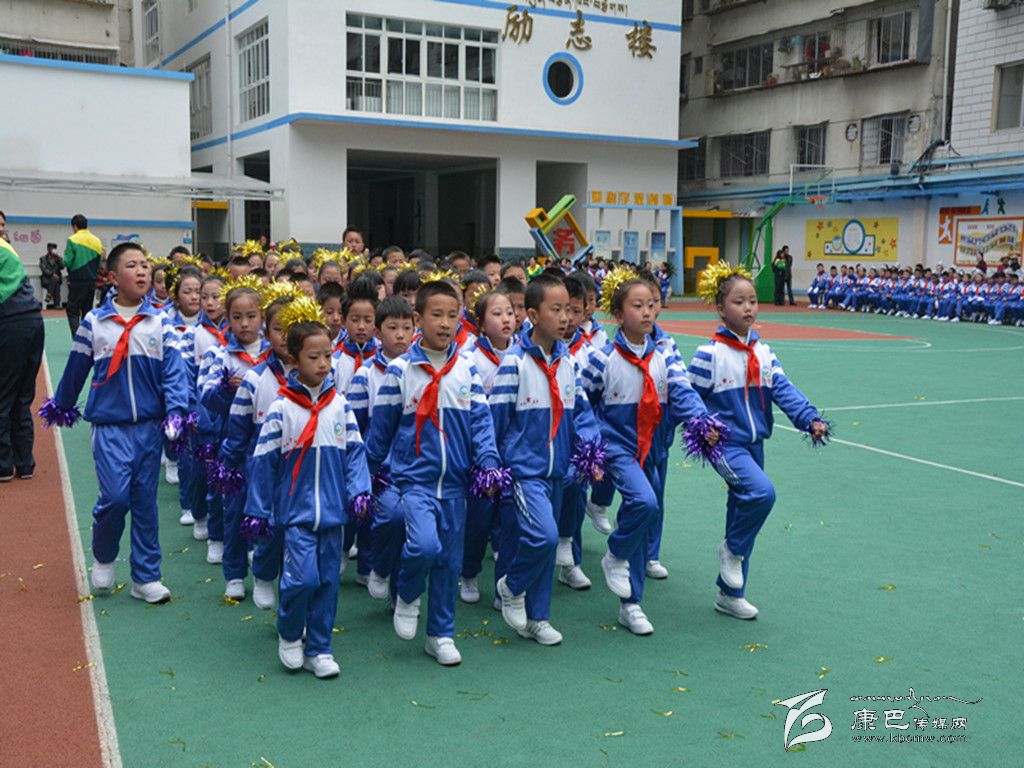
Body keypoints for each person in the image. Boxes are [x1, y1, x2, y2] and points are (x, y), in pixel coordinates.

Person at [364, 280, 503, 666]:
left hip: (455, 485)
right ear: (417, 319)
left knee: (448, 564)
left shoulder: (466, 369)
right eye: (436, 315)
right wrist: (364, 479)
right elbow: (381, 432)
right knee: (424, 546)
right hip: (414, 482)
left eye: (452, 315)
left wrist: (489, 462)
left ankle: (440, 635)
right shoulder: (399, 371)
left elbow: (481, 422)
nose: (445, 323)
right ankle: (408, 594)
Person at [43, 242, 190, 603]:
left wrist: (176, 411)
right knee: (115, 497)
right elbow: (76, 368)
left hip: (149, 428)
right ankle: (104, 555)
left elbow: (174, 372)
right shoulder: (95, 323)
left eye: (145, 265)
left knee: (145, 503)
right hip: (109, 428)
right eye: (132, 265)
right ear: (112, 277)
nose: (142, 271)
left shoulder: (161, 322)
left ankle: (146, 577)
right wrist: (62, 404)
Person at [687, 266, 828, 620]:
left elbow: (784, 389)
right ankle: (731, 551)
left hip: (754, 445)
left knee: (741, 509)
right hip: (725, 445)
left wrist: (809, 418)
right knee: (761, 493)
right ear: (721, 308)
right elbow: (688, 398)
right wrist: (702, 427)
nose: (748, 307)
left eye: (752, 300)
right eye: (739, 301)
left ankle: (730, 595)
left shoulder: (764, 352)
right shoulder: (709, 354)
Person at [581, 272, 718, 635]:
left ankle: (631, 604)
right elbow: (582, 403)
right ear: (618, 313)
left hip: (651, 448)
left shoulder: (665, 352)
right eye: (637, 305)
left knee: (644, 516)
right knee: (644, 502)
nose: (647, 312)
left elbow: (682, 390)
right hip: (618, 447)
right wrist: (592, 446)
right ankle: (615, 553)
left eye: (652, 305)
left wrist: (701, 420)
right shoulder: (602, 358)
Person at [244, 305, 371, 678]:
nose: (323, 364)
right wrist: (259, 510)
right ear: (294, 360)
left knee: (328, 583)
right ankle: (289, 634)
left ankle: (319, 648)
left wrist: (359, 491)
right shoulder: (282, 409)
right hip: (296, 514)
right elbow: (263, 463)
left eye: (327, 356)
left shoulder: (340, 407)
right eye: (313, 357)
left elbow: (355, 454)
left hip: (333, 514)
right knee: (303, 579)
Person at [490, 274, 604, 646]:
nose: (565, 317)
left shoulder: (567, 361)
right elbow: (497, 417)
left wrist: (590, 449)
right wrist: (496, 465)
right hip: (525, 470)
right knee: (544, 537)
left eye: (568, 310)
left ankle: (538, 618)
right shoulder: (515, 363)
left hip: (558, 470)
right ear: (533, 315)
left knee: (546, 541)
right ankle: (512, 586)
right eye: (556, 310)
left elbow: (582, 412)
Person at [217, 287, 302, 611]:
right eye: (278, 329)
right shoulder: (255, 378)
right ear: (267, 332)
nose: (286, 337)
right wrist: (230, 466)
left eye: (293, 329)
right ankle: (257, 573)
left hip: (302, 463)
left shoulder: (317, 373)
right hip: (260, 464)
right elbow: (238, 428)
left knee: (296, 528)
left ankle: (292, 591)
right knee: (263, 522)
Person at [198, 282, 269, 599]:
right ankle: (235, 574)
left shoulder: (273, 353)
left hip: (268, 445)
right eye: (237, 317)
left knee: (266, 507)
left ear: (262, 317)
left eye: (251, 316)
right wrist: (227, 389)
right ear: (227, 317)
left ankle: (264, 568)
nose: (244, 323)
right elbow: (206, 396)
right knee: (235, 509)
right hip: (233, 443)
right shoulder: (219, 354)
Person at [347, 295, 416, 600]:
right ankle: (380, 566)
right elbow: (355, 426)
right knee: (392, 518)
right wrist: (364, 470)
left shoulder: (420, 369)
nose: (400, 335)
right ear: (378, 332)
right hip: (381, 471)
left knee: (414, 530)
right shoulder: (365, 375)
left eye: (406, 327)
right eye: (392, 328)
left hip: (416, 466)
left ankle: (400, 598)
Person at [458, 289, 516, 605]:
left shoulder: (522, 354)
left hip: (513, 451)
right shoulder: (469, 359)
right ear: (479, 323)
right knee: (478, 519)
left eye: (509, 312)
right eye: (497, 313)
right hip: (479, 455)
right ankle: (469, 572)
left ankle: (503, 586)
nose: (506, 318)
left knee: (509, 520)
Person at [0, 235, 45, 482]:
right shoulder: (6, 247)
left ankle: (3, 465)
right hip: (33, 320)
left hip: (10, 321)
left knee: (3, 395)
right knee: (22, 396)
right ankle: (24, 463)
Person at [64, 214, 105, 336]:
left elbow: (67, 261)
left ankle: (77, 338)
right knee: (87, 312)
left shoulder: (72, 239)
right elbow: (99, 262)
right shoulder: (97, 241)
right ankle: (86, 339)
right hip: (91, 280)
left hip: (77, 280)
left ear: (75, 226)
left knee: (73, 311)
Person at [39, 243, 64, 309]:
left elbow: (62, 267)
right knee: (55, 280)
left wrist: (58, 259)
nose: (52, 249)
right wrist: (52, 274)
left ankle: (49, 294)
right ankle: (57, 305)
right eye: (50, 248)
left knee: (56, 282)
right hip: (46, 279)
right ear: (47, 249)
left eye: (54, 248)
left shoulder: (58, 258)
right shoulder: (43, 259)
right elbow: (44, 269)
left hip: (56, 280)